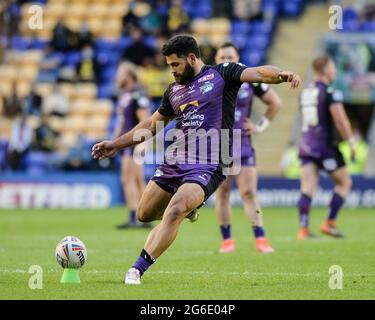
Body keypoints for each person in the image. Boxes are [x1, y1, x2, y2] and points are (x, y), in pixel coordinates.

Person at [92, 35, 301, 285]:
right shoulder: (173, 91)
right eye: (169, 65)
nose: (172, 71)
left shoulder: (223, 73)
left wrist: (282, 75)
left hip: (211, 161)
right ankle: (190, 209)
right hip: (176, 158)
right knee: (144, 214)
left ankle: (137, 269)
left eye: (175, 65)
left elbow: (259, 74)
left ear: (192, 58)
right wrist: (115, 144)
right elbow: (150, 125)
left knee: (176, 209)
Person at [214, 42, 282, 254]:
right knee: (223, 193)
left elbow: (275, 103)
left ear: (238, 58)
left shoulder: (249, 79)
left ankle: (260, 239)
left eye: (230, 57)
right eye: (222, 57)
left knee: (249, 192)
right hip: (220, 145)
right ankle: (227, 241)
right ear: (216, 60)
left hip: (243, 144)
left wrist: (260, 126)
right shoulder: (210, 80)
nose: (226, 61)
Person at [297, 56, 355, 240]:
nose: (335, 71)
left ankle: (303, 229)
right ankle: (329, 223)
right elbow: (340, 119)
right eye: (333, 67)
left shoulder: (306, 91)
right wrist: (351, 142)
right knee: (344, 183)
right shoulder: (330, 91)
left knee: (307, 187)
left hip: (306, 144)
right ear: (325, 69)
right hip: (325, 146)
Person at [113, 62, 151, 229]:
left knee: (135, 179)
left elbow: (146, 121)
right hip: (125, 143)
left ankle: (144, 215)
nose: (117, 76)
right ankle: (134, 215)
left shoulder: (137, 95)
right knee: (127, 179)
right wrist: (113, 143)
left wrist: (145, 143)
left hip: (136, 143)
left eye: (121, 73)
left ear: (129, 76)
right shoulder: (124, 96)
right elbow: (121, 122)